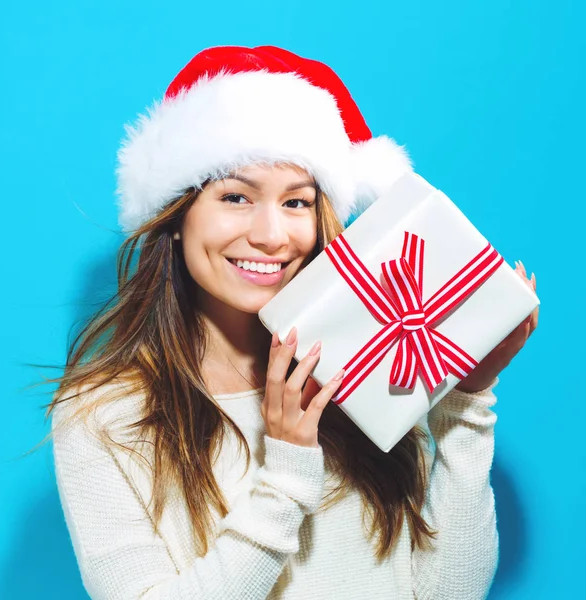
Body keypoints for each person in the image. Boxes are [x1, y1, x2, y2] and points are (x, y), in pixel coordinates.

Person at [47, 45, 538, 600]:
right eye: (235, 196)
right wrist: (285, 475)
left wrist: (466, 399)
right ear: (177, 216)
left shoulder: (372, 363)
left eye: (297, 203)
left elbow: (449, 592)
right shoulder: (104, 417)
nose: (272, 236)